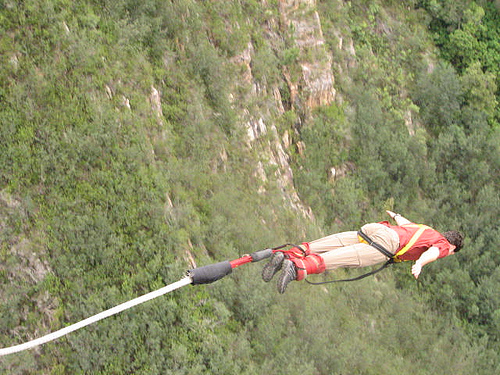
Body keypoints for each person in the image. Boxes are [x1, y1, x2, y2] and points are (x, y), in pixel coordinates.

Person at [262, 211, 464, 293]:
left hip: (377, 229)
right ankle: (297, 268)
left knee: (335, 242)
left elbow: (405, 222)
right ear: (453, 247)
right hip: (387, 244)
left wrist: (394, 214)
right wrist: (419, 264)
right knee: (341, 258)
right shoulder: (444, 245)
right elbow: (433, 253)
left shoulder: (427, 230)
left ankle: (289, 255)